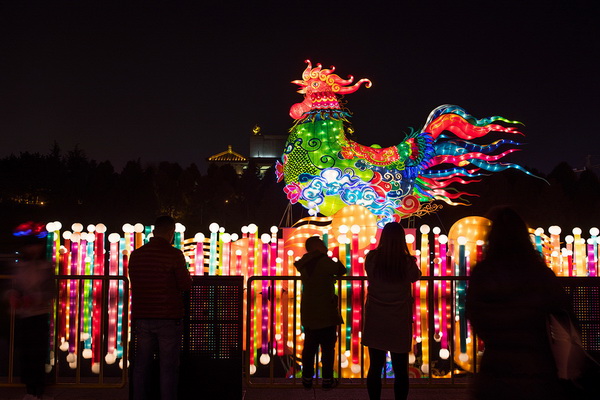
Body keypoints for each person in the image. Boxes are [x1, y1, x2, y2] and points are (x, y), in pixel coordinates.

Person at [466, 207, 572, 400]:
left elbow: (474, 315)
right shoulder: (539, 274)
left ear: (493, 237)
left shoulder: (483, 273)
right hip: (536, 368)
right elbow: (563, 317)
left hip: (495, 369)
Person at [128, 216, 192, 400]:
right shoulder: (174, 255)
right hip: (168, 317)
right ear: (171, 232)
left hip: (142, 315)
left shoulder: (136, 255)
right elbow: (185, 284)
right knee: (168, 367)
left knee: (141, 365)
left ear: (154, 231)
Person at [362, 222, 421, 400]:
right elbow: (415, 277)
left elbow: (370, 275)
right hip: (399, 316)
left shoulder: (372, 258)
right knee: (401, 367)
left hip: (376, 316)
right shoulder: (406, 261)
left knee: (375, 365)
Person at [6, 223, 54, 400]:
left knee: (37, 354)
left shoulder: (45, 267)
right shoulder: (19, 267)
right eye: (30, 245)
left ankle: (38, 390)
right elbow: (14, 288)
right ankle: (30, 390)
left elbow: (50, 290)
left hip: (39, 315)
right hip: (25, 315)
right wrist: (14, 296)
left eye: (36, 245)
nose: (33, 249)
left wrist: (34, 298)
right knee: (26, 354)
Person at [295, 236, 346, 390]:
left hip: (309, 312)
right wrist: (335, 258)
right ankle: (327, 379)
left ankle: (307, 378)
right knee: (328, 348)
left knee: (309, 347)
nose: (326, 247)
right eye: (323, 245)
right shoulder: (324, 262)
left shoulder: (303, 264)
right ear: (317, 247)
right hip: (326, 312)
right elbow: (342, 270)